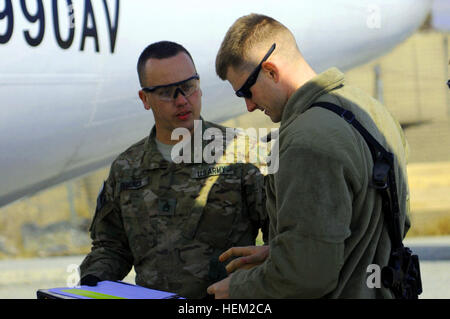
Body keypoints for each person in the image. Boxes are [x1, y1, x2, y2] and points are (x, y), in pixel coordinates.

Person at [207, 13, 411, 298]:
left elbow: (308, 276)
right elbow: (390, 220)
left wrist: (239, 289)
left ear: (270, 70)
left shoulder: (305, 142)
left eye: (246, 90)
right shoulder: (373, 111)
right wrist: (287, 249)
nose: (249, 106)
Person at [79, 41, 269, 299]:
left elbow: (282, 243)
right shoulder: (127, 167)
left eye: (188, 87)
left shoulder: (243, 154)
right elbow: (111, 247)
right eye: (167, 92)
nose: (182, 100)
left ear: (199, 86)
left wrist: (249, 285)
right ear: (145, 99)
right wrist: (92, 282)